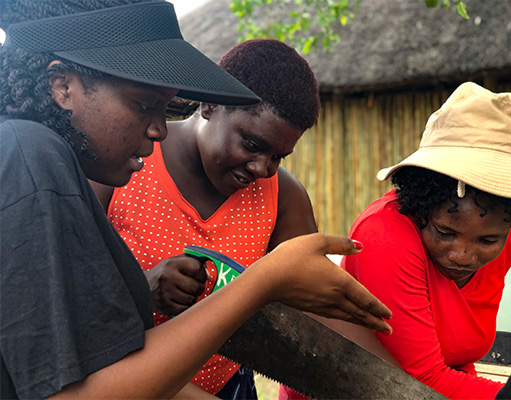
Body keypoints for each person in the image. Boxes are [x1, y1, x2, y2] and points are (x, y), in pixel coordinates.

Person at [0, 2, 391, 399]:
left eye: (164, 107)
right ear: (62, 86)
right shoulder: (31, 161)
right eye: (143, 105)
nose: (159, 129)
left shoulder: (36, 154)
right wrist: (264, 281)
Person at [91, 37, 395, 399]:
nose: (262, 168)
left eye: (279, 157)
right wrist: (143, 288)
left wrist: (402, 391)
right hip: (127, 382)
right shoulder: (124, 167)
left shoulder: (283, 197)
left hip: (228, 387)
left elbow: (322, 312)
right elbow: (72, 302)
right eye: (252, 145)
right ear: (209, 104)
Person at [340, 82, 511, 399]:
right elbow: (423, 378)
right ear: (421, 203)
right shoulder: (383, 235)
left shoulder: (506, 240)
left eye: (487, 240)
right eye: (445, 232)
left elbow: (457, 354)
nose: (463, 255)